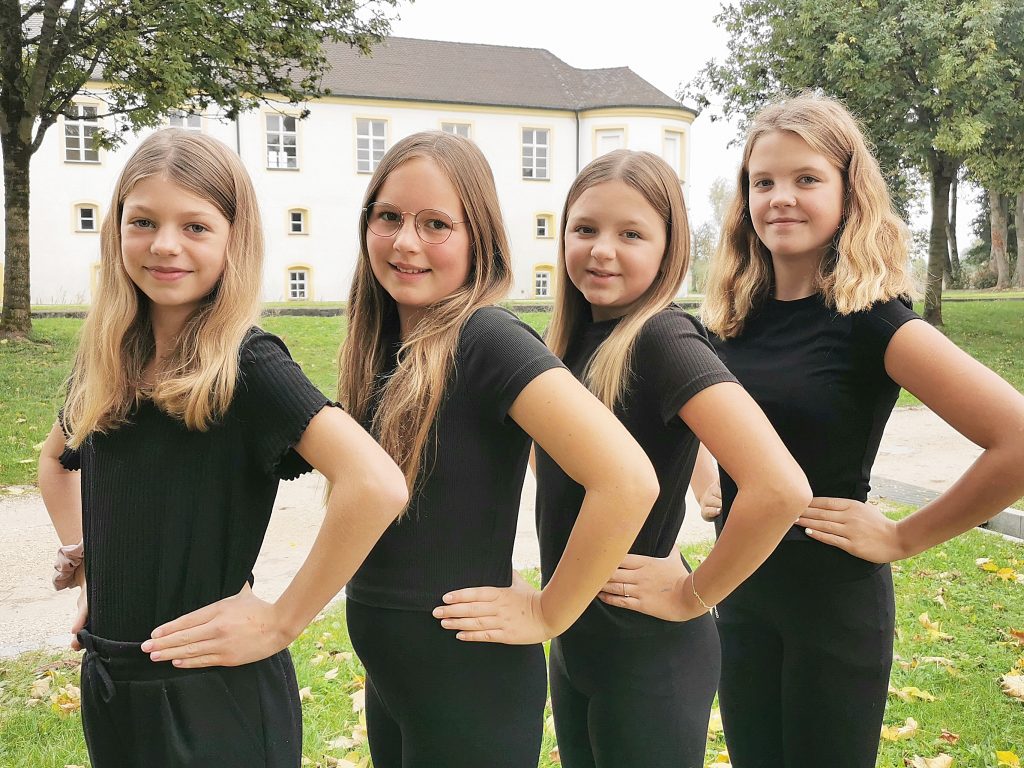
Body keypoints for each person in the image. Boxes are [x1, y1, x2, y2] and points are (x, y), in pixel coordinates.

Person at [603, 94, 1024, 768]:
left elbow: (1018, 440)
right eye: (763, 181)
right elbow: (705, 418)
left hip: (833, 608)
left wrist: (903, 537)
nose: (781, 198)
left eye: (806, 179)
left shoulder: (874, 321)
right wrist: (709, 477)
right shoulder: (729, 321)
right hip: (740, 594)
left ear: (849, 193)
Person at [37, 128, 408, 768]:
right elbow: (55, 462)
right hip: (111, 683)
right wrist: (91, 565)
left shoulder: (247, 364)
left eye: (196, 227)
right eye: (143, 221)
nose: (165, 244)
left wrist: (283, 621)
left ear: (235, 238)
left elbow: (376, 484)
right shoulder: (109, 357)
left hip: (212, 698)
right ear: (116, 228)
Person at [440, 149, 809, 768]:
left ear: (670, 249)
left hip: (648, 657)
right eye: (585, 229)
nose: (602, 250)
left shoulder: (662, 336)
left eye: (631, 234)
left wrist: (693, 593)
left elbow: (779, 487)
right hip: (580, 643)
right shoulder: (569, 340)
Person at [337, 131, 660, 768]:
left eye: (436, 224)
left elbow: (627, 481)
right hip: (398, 677)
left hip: (467, 683)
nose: (405, 242)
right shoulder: (385, 347)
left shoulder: (486, 337)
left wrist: (548, 612)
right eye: (389, 216)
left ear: (478, 238)